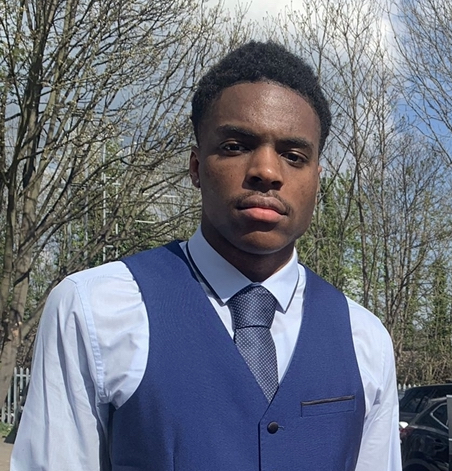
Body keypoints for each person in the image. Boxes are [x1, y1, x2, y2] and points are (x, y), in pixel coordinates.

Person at [11, 41, 402, 471]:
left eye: (293, 156)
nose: (267, 172)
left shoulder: (365, 339)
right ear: (196, 166)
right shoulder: (93, 311)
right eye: (236, 145)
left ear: (317, 180)